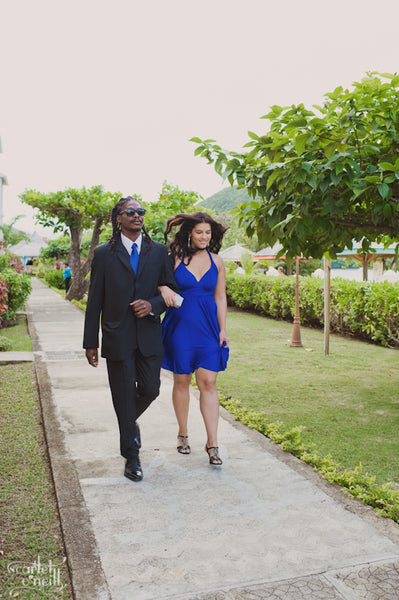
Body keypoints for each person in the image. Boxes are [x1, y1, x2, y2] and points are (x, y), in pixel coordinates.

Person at [83, 196, 177, 482]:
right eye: (131, 212)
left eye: (141, 212)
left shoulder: (159, 251)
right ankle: (132, 456)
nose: (137, 216)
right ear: (119, 218)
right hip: (117, 336)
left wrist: (152, 305)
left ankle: (127, 421)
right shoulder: (103, 254)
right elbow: (94, 299)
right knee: (123, 395)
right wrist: (91, 342)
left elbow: (170, 290)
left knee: (150, 390)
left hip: (149, 335)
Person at [159, 212, 229, 466]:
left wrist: (222, 330)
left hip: (209, 328)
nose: (204, 236)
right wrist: (163, 288)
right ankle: (183, 433)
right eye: (199, 232)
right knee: (182, 380)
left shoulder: (217, 261)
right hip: (180, 328)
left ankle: (213, 443)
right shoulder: (175, 259)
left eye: (208, 232)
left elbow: (220, 298)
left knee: (209, 382)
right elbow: (159, 283)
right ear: (190, 232)